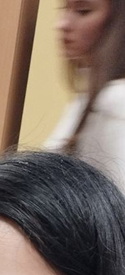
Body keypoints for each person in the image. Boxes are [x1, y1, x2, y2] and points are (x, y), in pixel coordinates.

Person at [46, 0, 125, 192]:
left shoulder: (115, 101)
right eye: (64, 9)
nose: (62, 24)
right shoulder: (88, 98)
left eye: (83, 11)